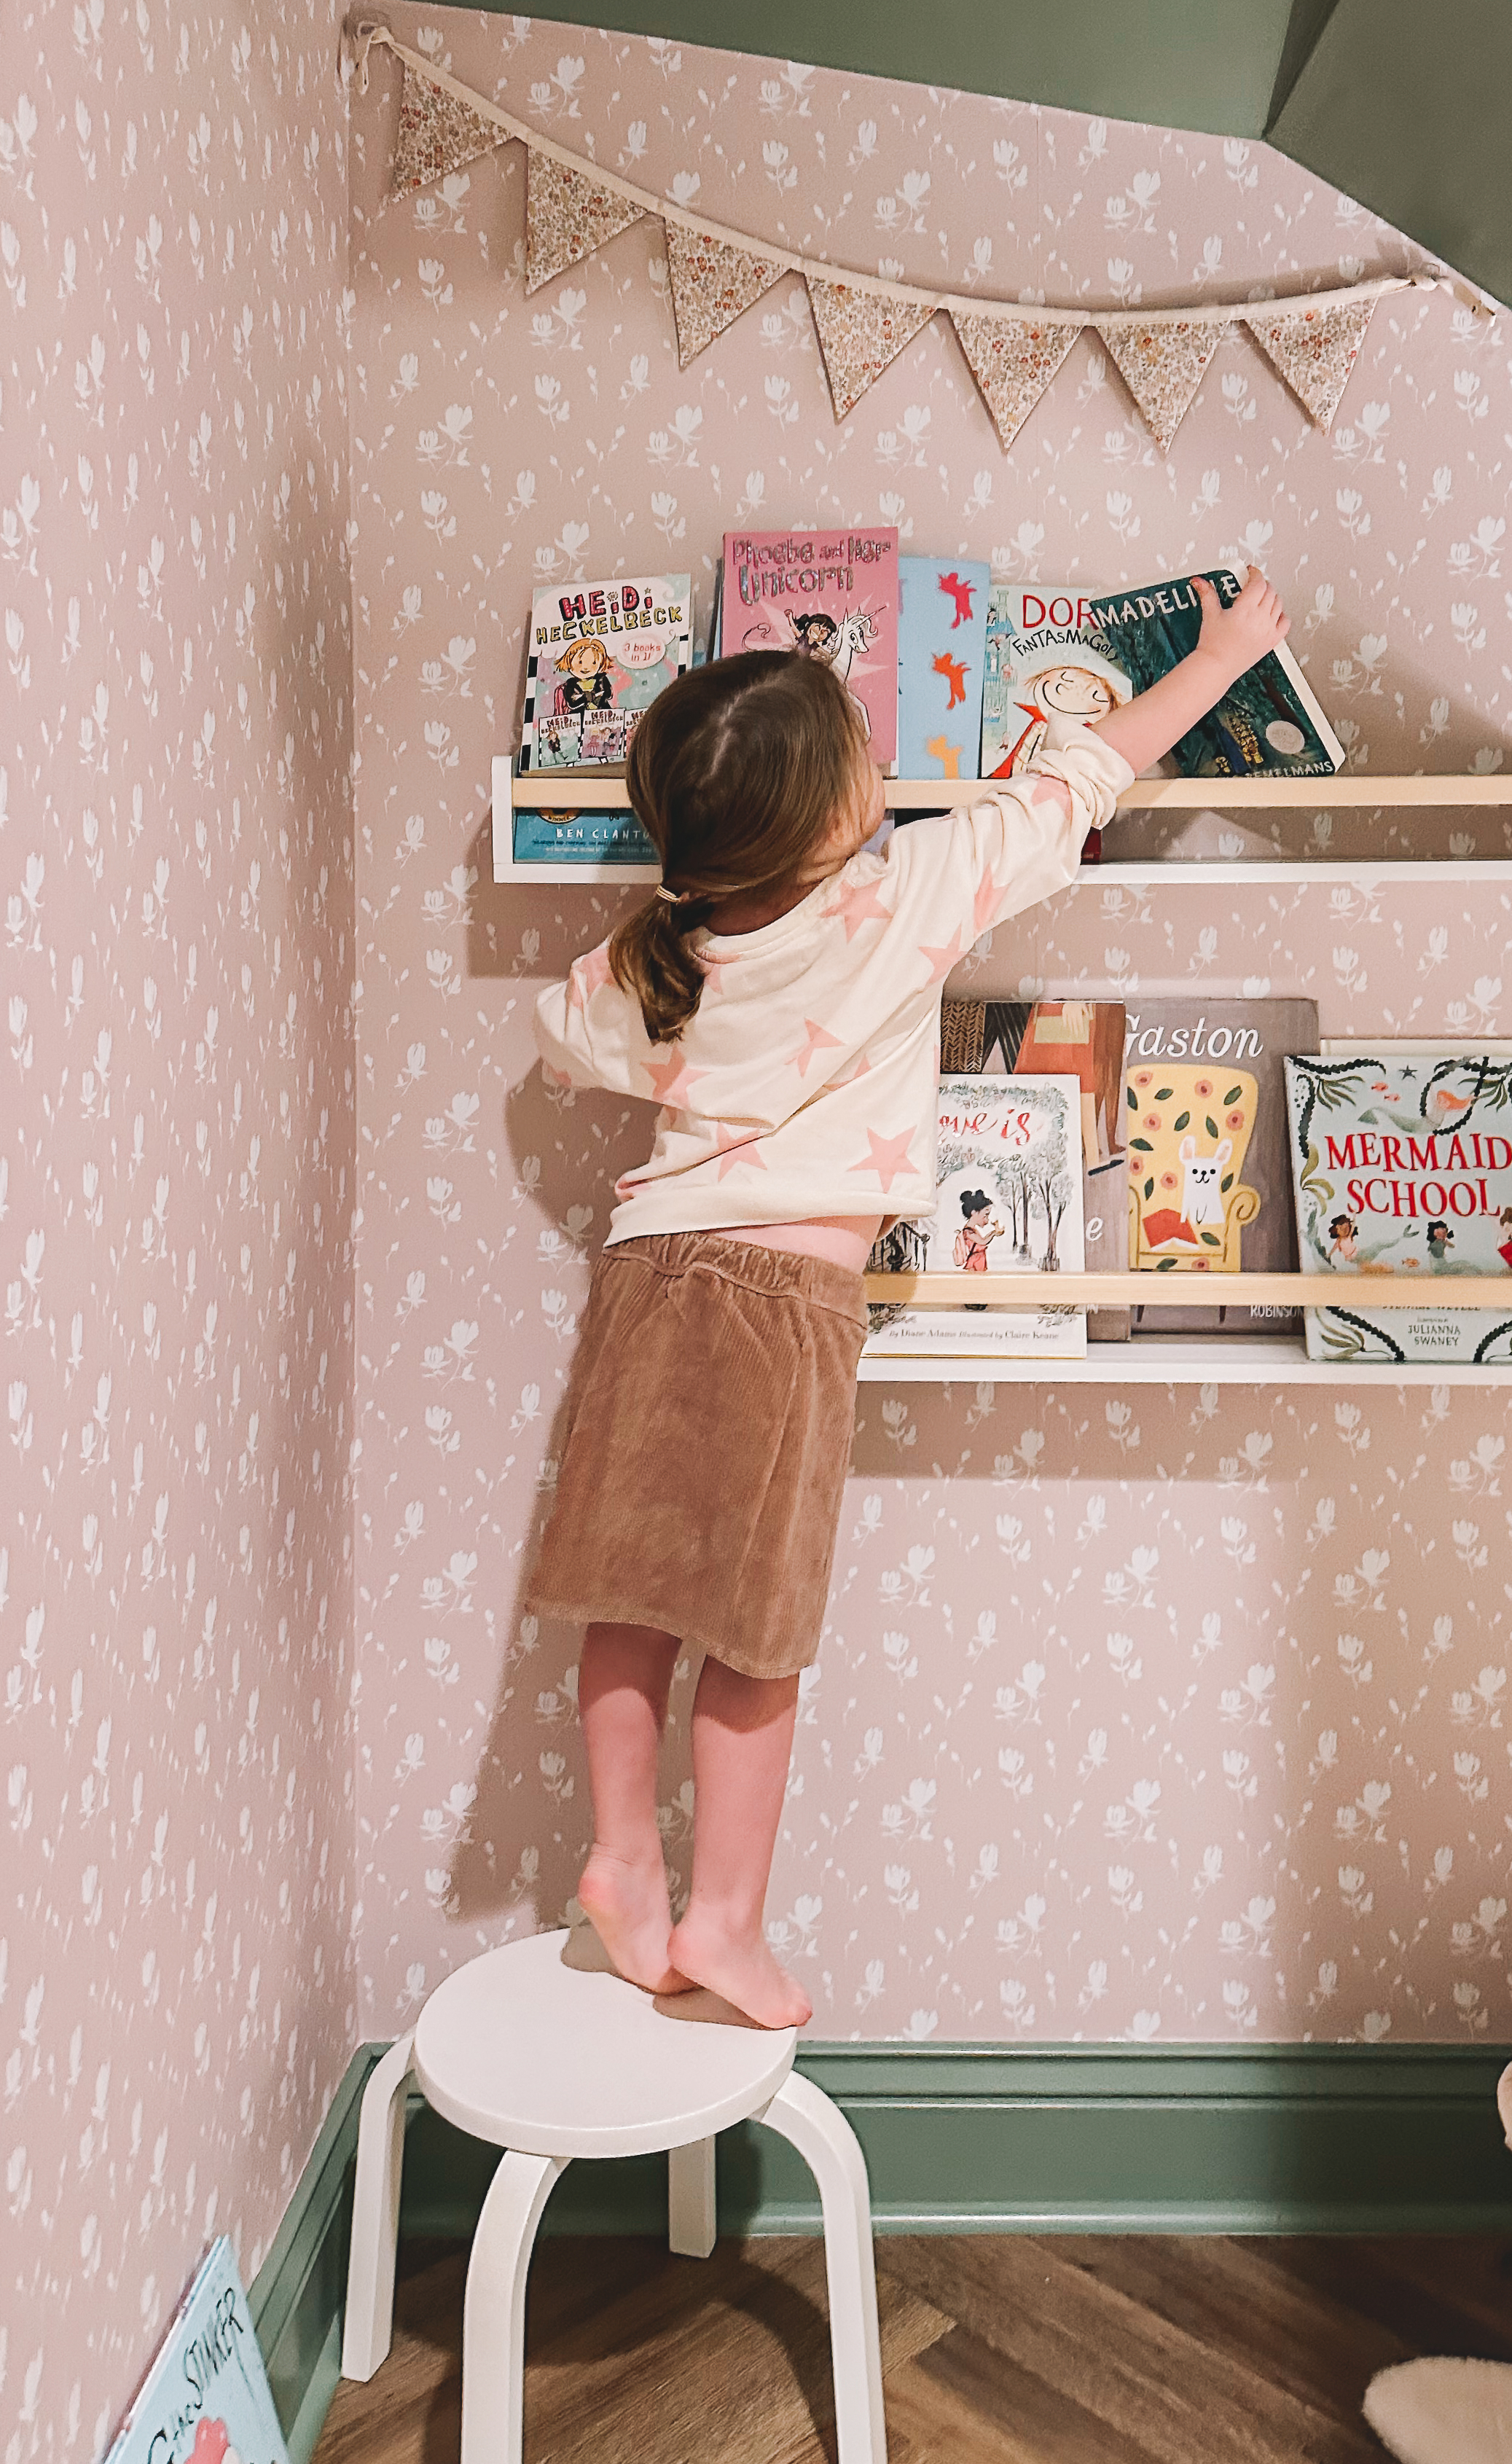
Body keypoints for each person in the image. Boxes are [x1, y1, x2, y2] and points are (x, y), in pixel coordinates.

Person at [531, 571, 1292, 2026]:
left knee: (626, 1598)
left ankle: (622, 1857)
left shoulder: (658, 954)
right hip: (784, 1310)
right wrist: (1226, 654)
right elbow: (1089, 768)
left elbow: (560, 1035)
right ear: (834, 822)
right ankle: (725, 1920)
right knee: (755, 1634)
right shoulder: (896, 895)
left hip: (652, 1277)